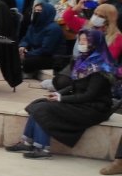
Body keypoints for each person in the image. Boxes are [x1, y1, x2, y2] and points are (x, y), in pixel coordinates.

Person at [7, 29, 115, 160]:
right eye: (80, 40)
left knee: (45, 109)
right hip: (82, 102)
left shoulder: (100, 67)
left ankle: (43, 149)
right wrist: (58, 93)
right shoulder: (83, 60)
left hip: (93, 108)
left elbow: (89, 95)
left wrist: (61, 98)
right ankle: (28, 142)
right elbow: (75, 86)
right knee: (39, 103)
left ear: (96, 43)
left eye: (85, 40)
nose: (81, 43)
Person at [19, 3, 67, 79]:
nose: (36, 13)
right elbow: (26, 38)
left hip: (52, 58)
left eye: (39, 11)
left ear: (47, 12)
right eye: (35, 10)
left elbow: (46, 50)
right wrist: (22, 46)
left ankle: (28, 72)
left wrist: (27, 54)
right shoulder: (33, 25)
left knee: (28, 61)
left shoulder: (54, 28)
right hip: (37, 53)